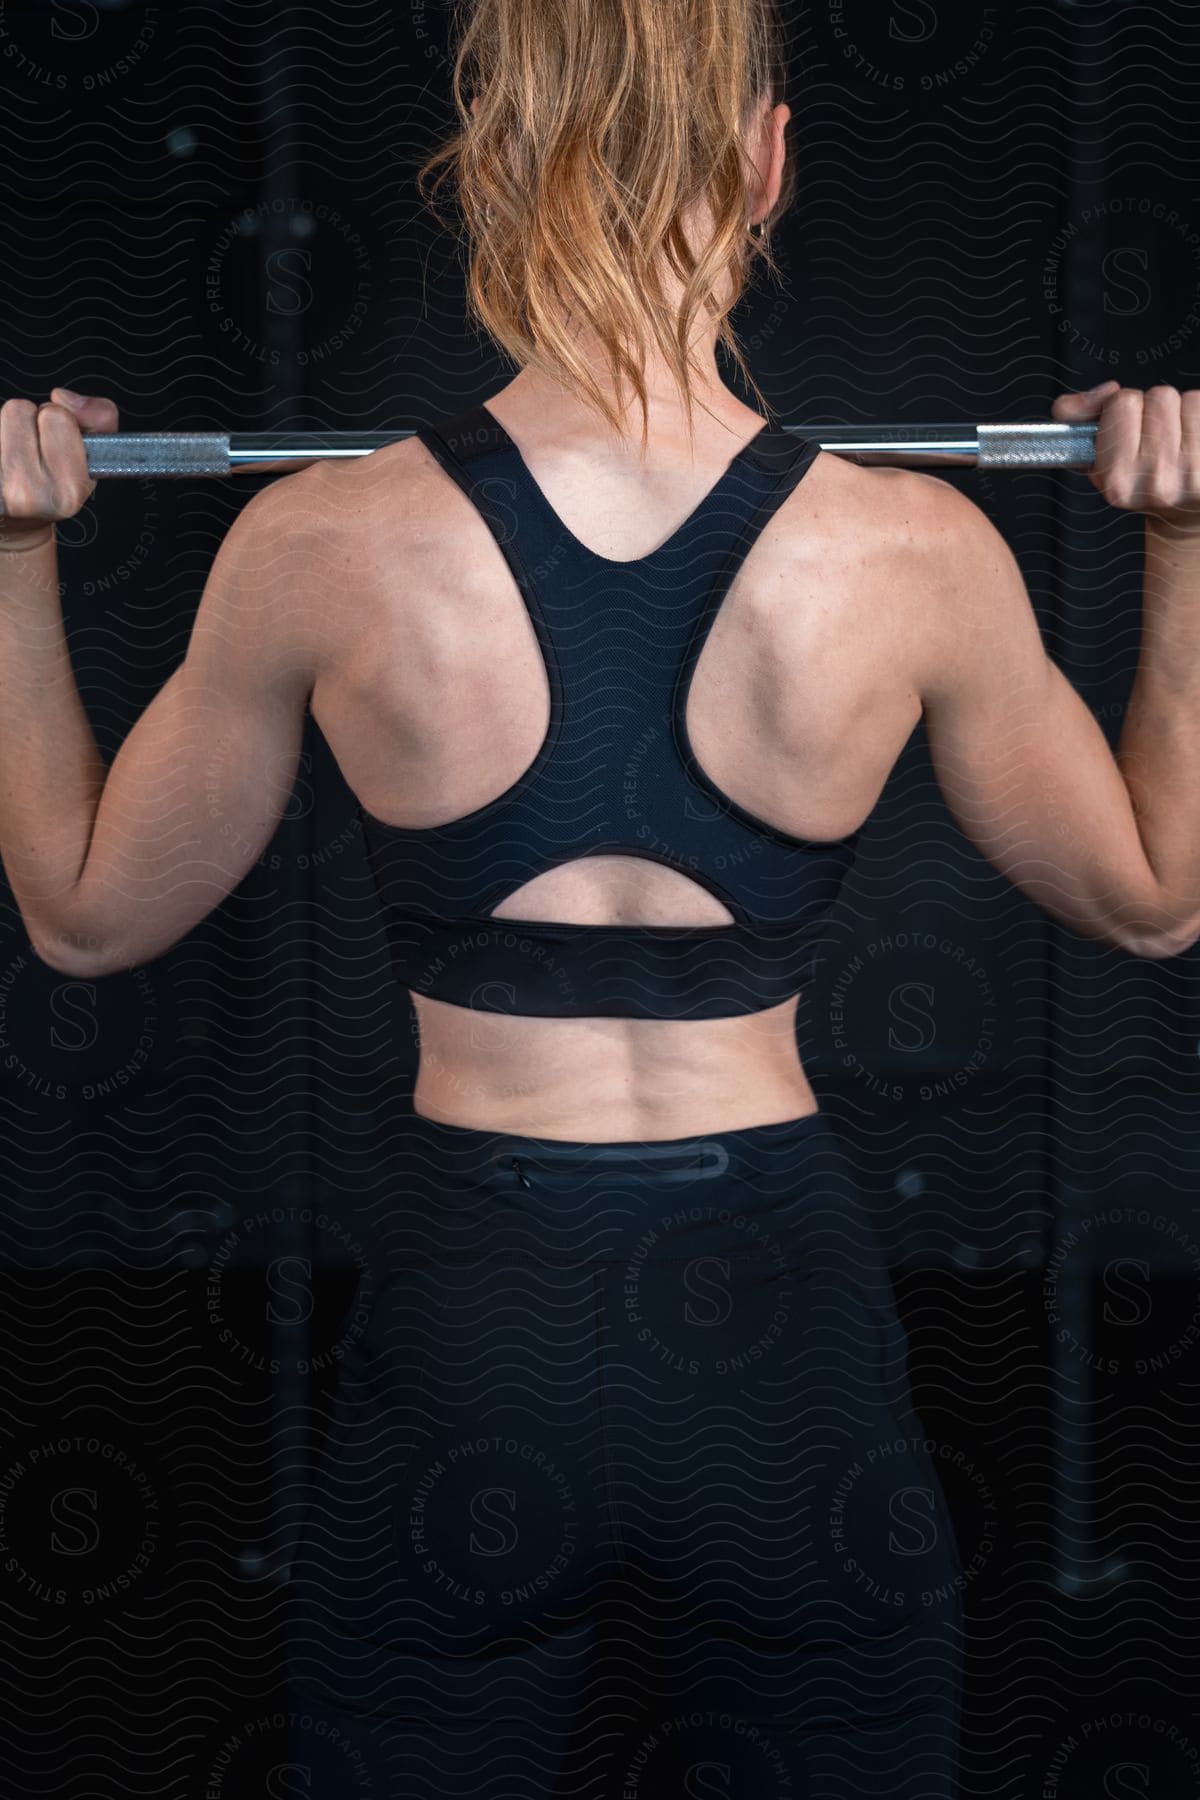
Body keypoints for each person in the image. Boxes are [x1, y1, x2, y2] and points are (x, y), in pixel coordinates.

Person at [1, 0, 1199, 1792]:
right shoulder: (916, 554)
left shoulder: (319, 548)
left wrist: (18, 559)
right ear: (770, 159)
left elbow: (85, 918)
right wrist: (1183, 548)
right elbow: (1159, 897)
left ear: (485, 171)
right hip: (777, 1332)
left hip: (473, 1314)